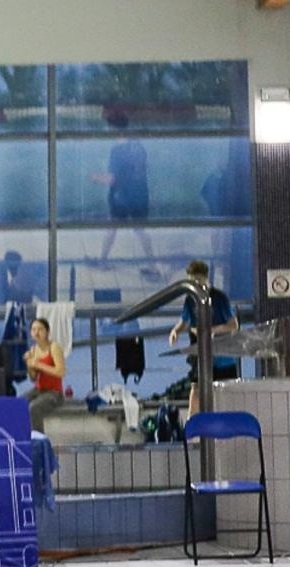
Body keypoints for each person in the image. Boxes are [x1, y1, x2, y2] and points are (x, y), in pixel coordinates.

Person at [171, 259, 242, 414]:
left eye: (198, 282)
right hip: (201, 355)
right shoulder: (190, 300)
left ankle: (227, 426)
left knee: (225, 393)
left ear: (206, 278)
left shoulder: (219, 298)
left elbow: (233, 325)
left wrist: (210, 330)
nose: (195, 286)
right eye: (192, 283)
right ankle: (192, 427)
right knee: (196, 389)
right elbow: (184, 321)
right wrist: (175, 331)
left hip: (222, 356)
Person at [96, 110, 158, 274]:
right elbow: (144, 170)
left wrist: (95, 178)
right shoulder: (138, 146)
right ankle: (153, 266)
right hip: (139, 195)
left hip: (121, 198)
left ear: (113, 128)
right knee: (140, 231)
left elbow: (111, 179)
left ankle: (102, 261)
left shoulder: (117, 150)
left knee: (112, 227)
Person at [23, 317, 66, 434]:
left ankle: (38, 441)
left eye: (40, 329)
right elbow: (33, 378)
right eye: (33, 330)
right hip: (39, 390)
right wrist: (29, 365)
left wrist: (38, 364)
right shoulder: (33, 350)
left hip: (54, 393)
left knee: (34, 408)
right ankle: (22, 435)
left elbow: (61, 371)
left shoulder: (54, 347)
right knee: (19, 403)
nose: (36, 333)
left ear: (47, 332)